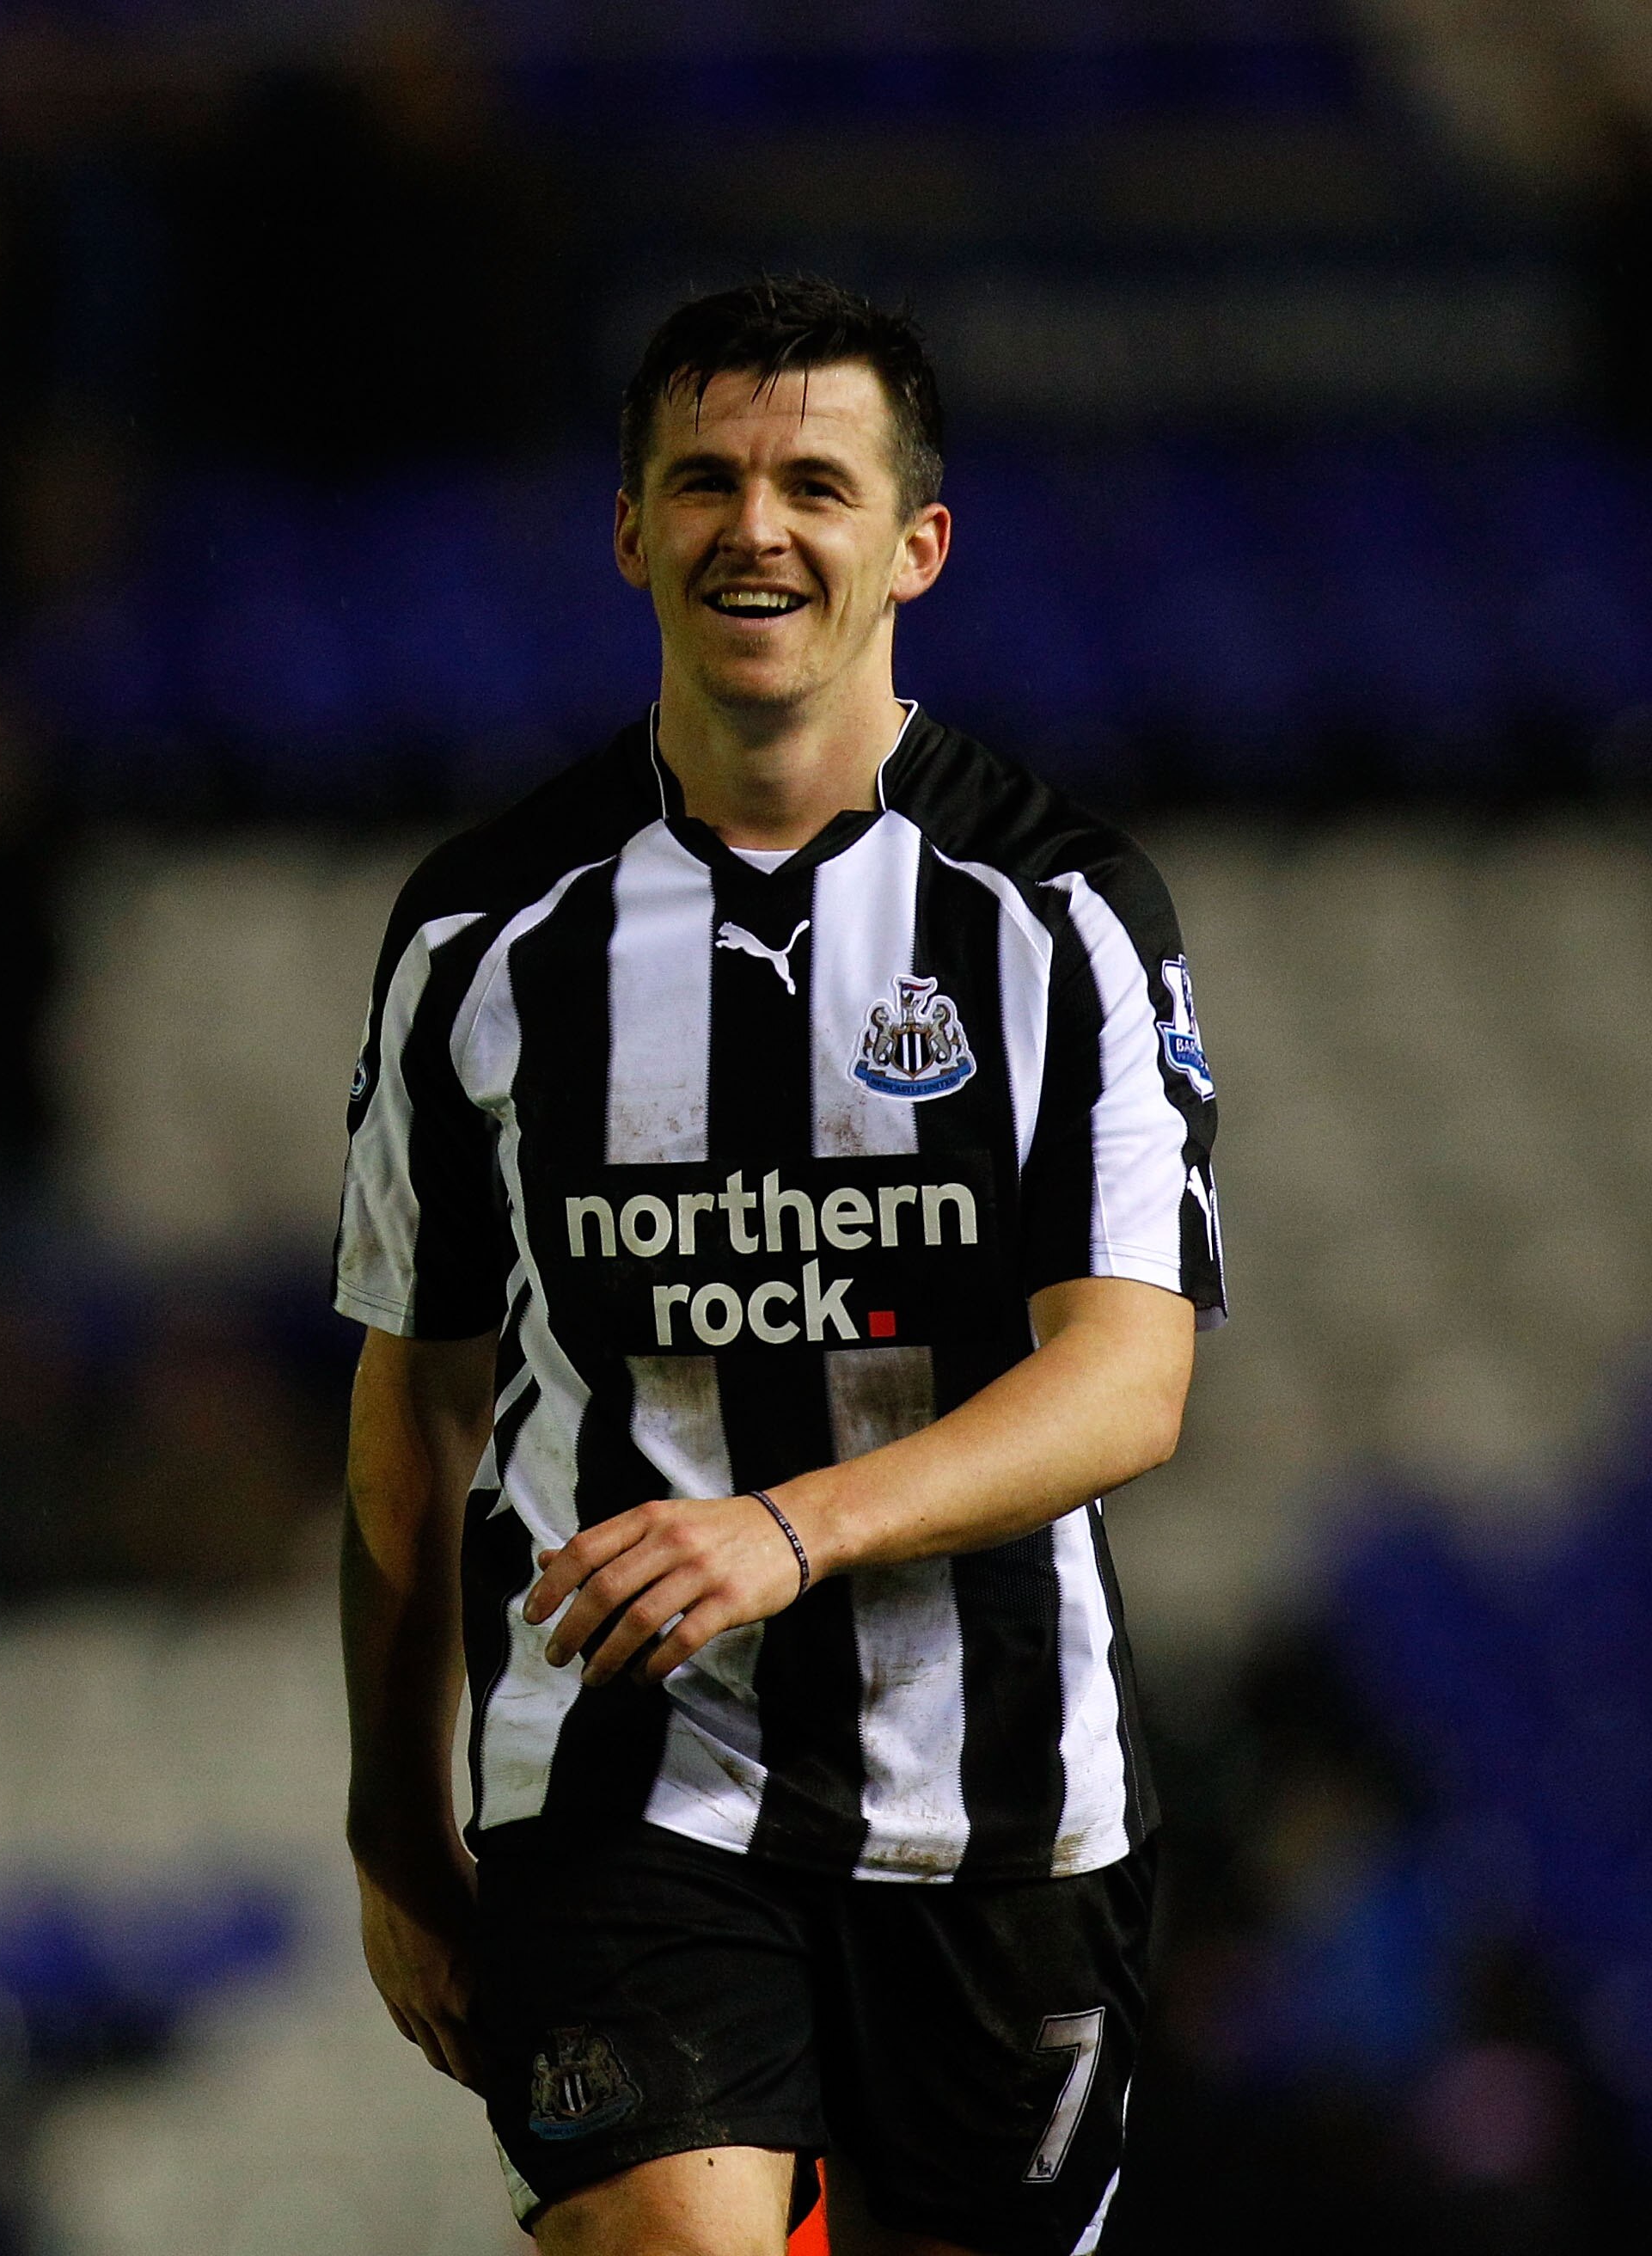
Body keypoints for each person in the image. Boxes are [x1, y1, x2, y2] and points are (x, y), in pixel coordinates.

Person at [333, 277, 1221, 2256]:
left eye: (814, 483)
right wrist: (397, 1811)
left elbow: (1128, 1374)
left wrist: (792, 1526)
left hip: (1002, 1802)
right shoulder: (485, 931)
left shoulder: (1061, 913)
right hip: (623, 1773)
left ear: (915, 544)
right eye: (705, 479)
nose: (757, 525)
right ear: (631, 527)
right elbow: (423, 1395)